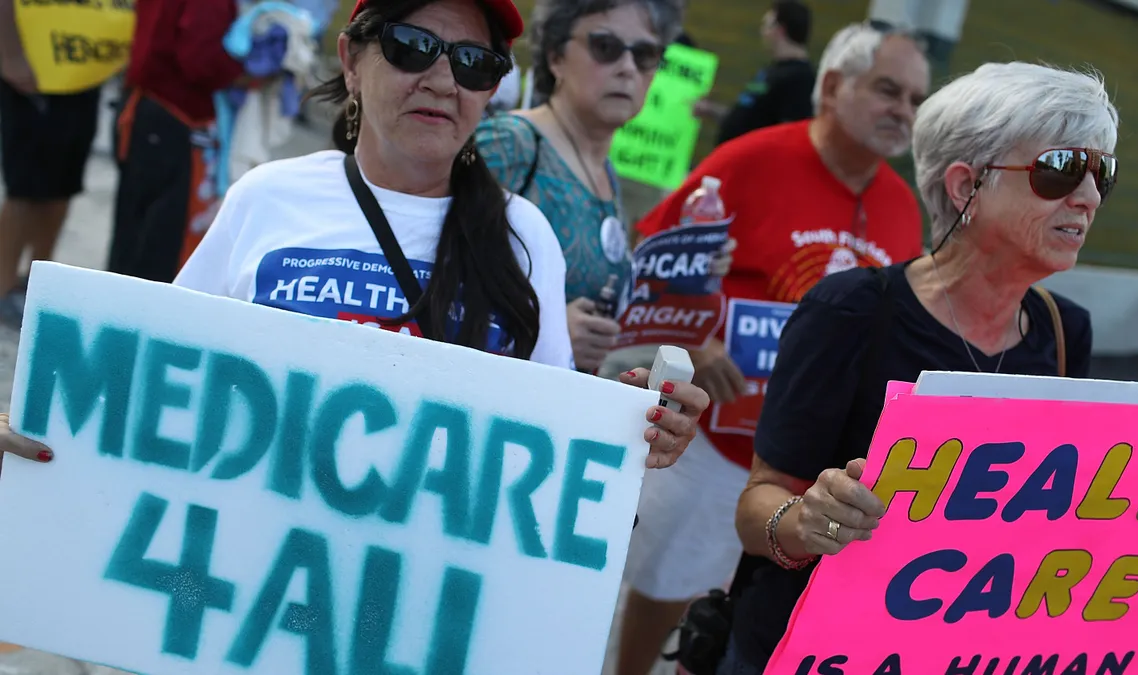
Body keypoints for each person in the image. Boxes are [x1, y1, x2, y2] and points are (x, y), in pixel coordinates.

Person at [169, 0, 709, 470]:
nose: (443, 80)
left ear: (493, 89)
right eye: (412, 46)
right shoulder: (266, 197)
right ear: (351, 61)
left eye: (474, 63)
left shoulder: (524, 234)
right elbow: (170, 369)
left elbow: (546, 427)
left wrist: (628, 423)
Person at [724, 61, 1116, 674]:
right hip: (805, 649)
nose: (1089, 197)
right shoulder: (849, 309)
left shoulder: (1066, 333)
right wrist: (808, 519)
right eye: (1059, 170)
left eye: (1102, 173)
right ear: (966, 186)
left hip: (950, 653)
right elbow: (756, 508)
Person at [615, 23, 929, 675]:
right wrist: (696, 340)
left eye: (916, 99)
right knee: (667, 586)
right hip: (717, 440)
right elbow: (650, 260)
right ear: (835, 86)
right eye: (888, 90)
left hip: (813, 469)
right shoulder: (749, 159)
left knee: (751, 618)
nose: (904, 111)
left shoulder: (903, 206)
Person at [474, 0, 684, 374]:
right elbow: (438, 277)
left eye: (646, 54)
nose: (627, 68)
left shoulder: (605, 170)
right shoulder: (510, 144)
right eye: (606, 47)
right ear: (555, 55)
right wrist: (547, 328)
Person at [108, 0, 245, 284]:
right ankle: (137, 321)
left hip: (146, 108)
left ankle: (114, 317)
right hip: (171, 116)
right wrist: (247, 72)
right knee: (159, 245)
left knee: (132, 234)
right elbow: (200, 60)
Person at [0, 0, 103, 327]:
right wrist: (10, 54)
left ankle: (37, 282)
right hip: (33, 67)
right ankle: (2, 287)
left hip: (83, 71)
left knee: (64, 184)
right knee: (25, 187)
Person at [698, 1, 816, 146]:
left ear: (780, 30)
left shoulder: (800, 79)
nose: (763, 32)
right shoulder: (772, 71)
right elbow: (749, 119)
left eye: (766, 25)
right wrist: (711, 110)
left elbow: (789, 136)